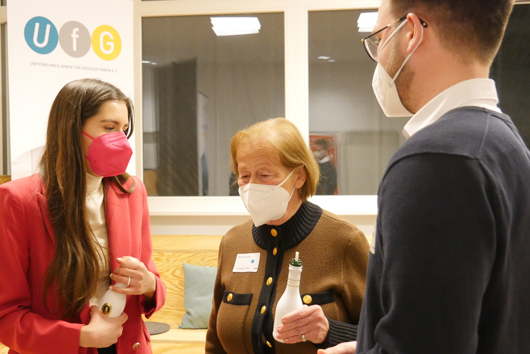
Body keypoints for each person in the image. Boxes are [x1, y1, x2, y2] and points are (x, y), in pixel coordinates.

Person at [320, 0, 530, 353]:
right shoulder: (506, 146)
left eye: (379, 38)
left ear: (412, 32)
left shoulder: (437, 161)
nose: (378, 57)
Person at [0, 79, 166, 354]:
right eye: (108, 128)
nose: (120, 138)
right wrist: (80, 336)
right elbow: (4, 317)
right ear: (71, 128)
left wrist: (151, 285)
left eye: (124, 129)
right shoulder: (16, 200)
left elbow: (149, 274)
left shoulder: (132, 190)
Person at [206, 118, 370, 354]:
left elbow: (388, 336)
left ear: (299, 176)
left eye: (264, 175)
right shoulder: (233, 242)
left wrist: (328, 331)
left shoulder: (344, 241)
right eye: (244, 175)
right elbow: (215, 342)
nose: (251, 185)